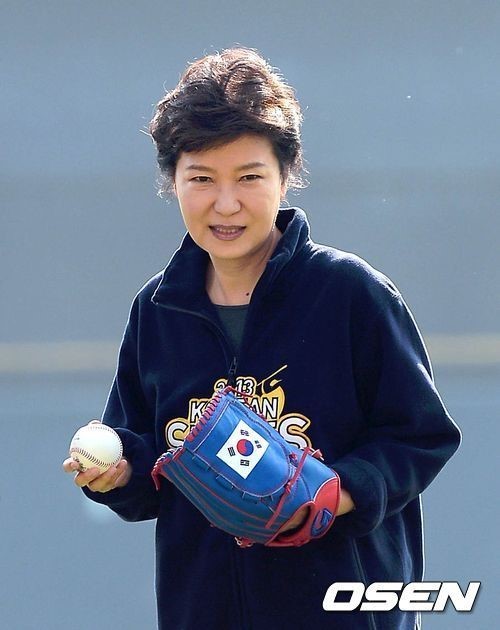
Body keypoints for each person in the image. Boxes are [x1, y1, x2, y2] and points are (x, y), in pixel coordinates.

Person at [63, 47, 461, 629]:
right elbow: (147, 467)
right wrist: (117, 473)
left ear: (285, 176)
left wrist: (335, 495)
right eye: (201, 178)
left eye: (249, 177)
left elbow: (420, 437)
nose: (226, 204)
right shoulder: (157, 311)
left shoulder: (349, 294)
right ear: (173, 181)